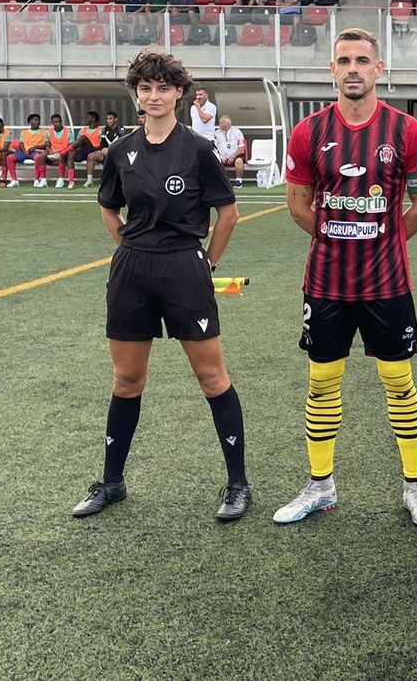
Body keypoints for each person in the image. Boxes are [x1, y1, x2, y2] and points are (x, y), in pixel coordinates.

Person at [71, 50, 251, 522]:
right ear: (136, 94)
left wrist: (204, 263)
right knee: (127, 380)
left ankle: (237, 485)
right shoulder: (120, 151)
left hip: (184, 268)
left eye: (163, 88)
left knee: (212, 378)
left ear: (179, 94)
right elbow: (109, 206)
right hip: (132, 270)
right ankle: (112, 483)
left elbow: (227, 214)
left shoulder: (196, 148)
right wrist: (127, 247)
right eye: (145, 88)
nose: (154, 96)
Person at [274, 27, 417, 528]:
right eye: (343, 60)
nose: (353, 69)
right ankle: (320, 486)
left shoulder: (406, 131)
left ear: (378, 69)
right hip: (325, 284)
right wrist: (335, 236)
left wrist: (382, 240)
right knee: (322, 384)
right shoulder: (308, 133)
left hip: (388, 284)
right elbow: (298, 205)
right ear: (332, 69)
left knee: (399, 384)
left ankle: (415, 488)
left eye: (362, 60)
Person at [86, 110, 127, 186]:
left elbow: (123, 144)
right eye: (107, 119)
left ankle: (107, 181)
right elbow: (102, 143)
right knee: (91, 156)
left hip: (117, 154)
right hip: (105, 153)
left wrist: (110, 150)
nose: (108, 121)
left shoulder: (121, 130)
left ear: (116, 119)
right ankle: (89, 180)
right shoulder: (104, 130)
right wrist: (103, 149)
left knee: (109, 158)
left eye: (111, 119)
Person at [17, 113, 52, 189]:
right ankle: (14, 180)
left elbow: (46, 144)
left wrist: (35, 146)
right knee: (10, 157)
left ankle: (37, 179)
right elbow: (21, 144)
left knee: (38, 157)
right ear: (30, 122)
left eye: (39, 120)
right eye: (35, 120)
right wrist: (24, 151)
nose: (38, 122)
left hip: (37, 151)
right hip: (25, 151)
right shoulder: (24, 132)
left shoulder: (45, 132)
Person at [73, 109, 107, 184]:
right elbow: (78, 144)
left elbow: (103, 144)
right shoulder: (83, 130)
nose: (86, 119)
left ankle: (89, 180)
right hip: (84, 152)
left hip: (95, 150)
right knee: (70, 155)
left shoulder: (101, 130)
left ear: (93, 118)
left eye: (87, 117)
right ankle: (70, 180)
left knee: (83, 138)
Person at [44, 113, 77, 189]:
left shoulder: (68, 131)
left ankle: (65, 180)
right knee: (41, 156)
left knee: (65, 156)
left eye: (59, 122)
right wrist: (50, 151)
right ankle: (42, 180)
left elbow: (71, 145)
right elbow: (47, 144)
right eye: (55, 122)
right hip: (53, 153)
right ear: (52, 123)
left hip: (64, 152)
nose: (57, 123)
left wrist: (61, 152)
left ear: (61, 121)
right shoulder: (48, 131)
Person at [213, 114, 247, 187]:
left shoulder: (237, 132)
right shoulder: (216, 133)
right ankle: (218, 182)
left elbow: (242, 146)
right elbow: (214, 147)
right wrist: (220, 156)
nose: (219, 124)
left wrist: (233, 156)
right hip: (222, 157)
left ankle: (239, 181)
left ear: (227, 124)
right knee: (213, 160)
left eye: (221, 123)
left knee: (239, 161)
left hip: (236, 156)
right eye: (219, 123)